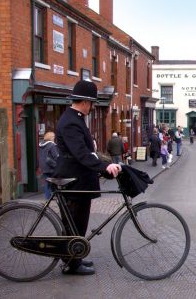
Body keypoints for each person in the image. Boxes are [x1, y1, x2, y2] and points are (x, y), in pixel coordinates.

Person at [53, 80, 121, 275]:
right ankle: (72, 264)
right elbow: (81, 154)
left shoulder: (75, 118)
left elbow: (87, 152)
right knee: (75, 223)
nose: (92, 108)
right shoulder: (71, 122)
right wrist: (104, 166)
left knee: (78, 223)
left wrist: (103, 164)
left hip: (78, 180)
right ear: (85, 102)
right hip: (74, 181)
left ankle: (75, 257)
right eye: (92, 104)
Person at [38, 131, 59, 200]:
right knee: (54, 181)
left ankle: (48, 196)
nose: (54, 138)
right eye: (53, 136)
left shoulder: (41, 145)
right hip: (51, 166)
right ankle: (54, 195)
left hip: (43, 166)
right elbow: (56, 156)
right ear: (51, 137)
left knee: (46, 182)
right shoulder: (52, 145)